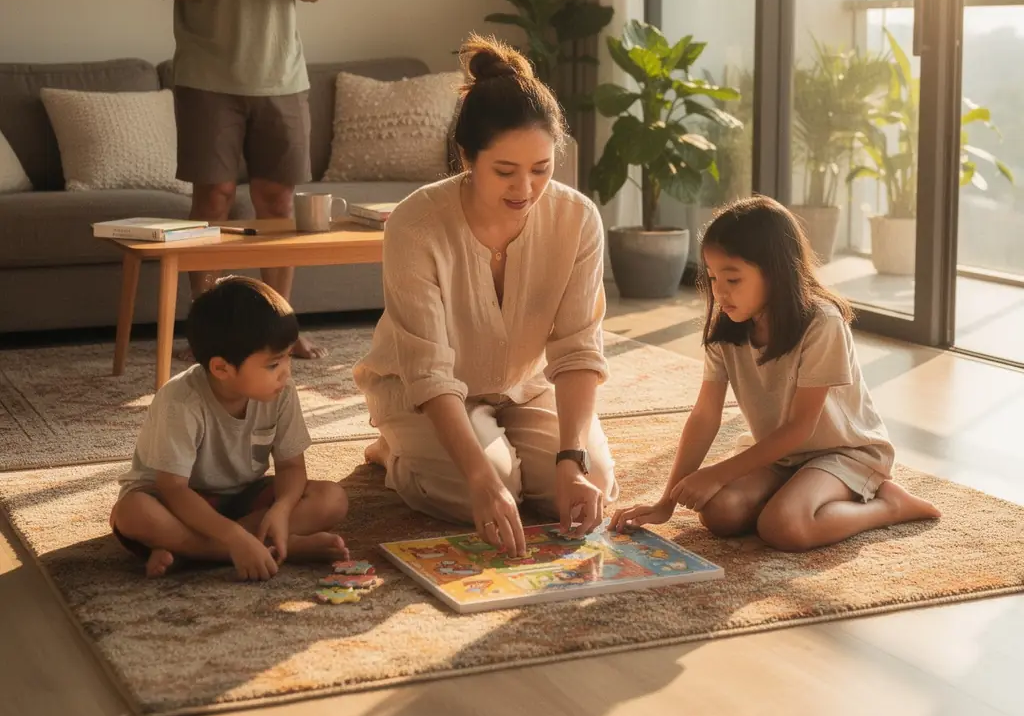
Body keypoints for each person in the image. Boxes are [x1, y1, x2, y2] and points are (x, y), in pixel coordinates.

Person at [355, 34, 619, 557]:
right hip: (428, 393)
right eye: (505, 171)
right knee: (485, 489)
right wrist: (480, 478)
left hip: (526, 386)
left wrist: (573, 460)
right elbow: (428, 370)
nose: (525, 188)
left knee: (582, 488)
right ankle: (394, 451)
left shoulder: (578, 219)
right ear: (466, 156)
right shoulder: (416, 223)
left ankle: (513, 455)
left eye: (541, 170)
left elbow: (578, 349)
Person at [611, 196, 939, 551]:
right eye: (713, 278)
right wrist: (666, 503)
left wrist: (719, 473)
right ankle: (796, 493)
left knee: (783, 527)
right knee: (719, 513)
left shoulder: (822, 323)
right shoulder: (728, 329)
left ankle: (888, 505)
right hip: (780, 455)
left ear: (776, 271)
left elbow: (801, 428)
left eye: (733, 279)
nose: (720, 292)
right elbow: (705, 415)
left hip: (843, 452)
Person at [145, 0, 332, 359]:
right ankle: (209, 329)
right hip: (208, 77)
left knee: (280, 207)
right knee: (214, 200)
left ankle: (282, 330)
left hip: (284, 76)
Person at [109, 276, 349, 579]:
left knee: (332, 499)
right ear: (222, 368)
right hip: (175, 500)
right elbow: (174, 489)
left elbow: (290, 467)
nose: (286, 372)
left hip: (242, 498)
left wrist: (283, 509)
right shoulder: (181, 402)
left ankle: (195, 552)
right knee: (132, 513)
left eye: (288, 356)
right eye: (273, 364)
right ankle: (262, 547)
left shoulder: (282, 392)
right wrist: (235, 539)